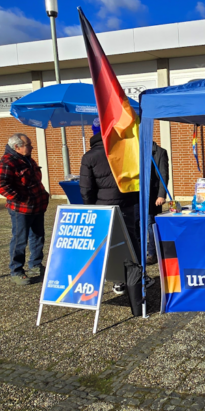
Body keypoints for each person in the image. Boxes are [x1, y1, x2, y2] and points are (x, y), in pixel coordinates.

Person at [80, 124, 142, 294]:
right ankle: (138, 276)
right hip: (126, 204)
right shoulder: (125, 151)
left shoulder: (89, 156)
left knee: (106, 244)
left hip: (103, 207)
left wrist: (91, 208)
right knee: (131, 240)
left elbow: (86, 189)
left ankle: (115, 280)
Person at [0, 133, 49, 286]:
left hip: (37, 206)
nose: (32, 147)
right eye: (28, 145)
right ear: (17, 147)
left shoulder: (27, 159)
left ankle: (36, 265)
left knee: (38, 237)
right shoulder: (7, 163)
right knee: (20, 240)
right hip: (21, 210)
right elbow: (0, 185)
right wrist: (21, 198)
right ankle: (17, 270)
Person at [148, 141, 170, 264]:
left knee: (151, 224)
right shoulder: (134, 151)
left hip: (153, 194)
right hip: (137, 195)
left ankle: (153, 253)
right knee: (137, 224)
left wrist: (161, 195)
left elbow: (163, 174)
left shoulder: (160, 152)